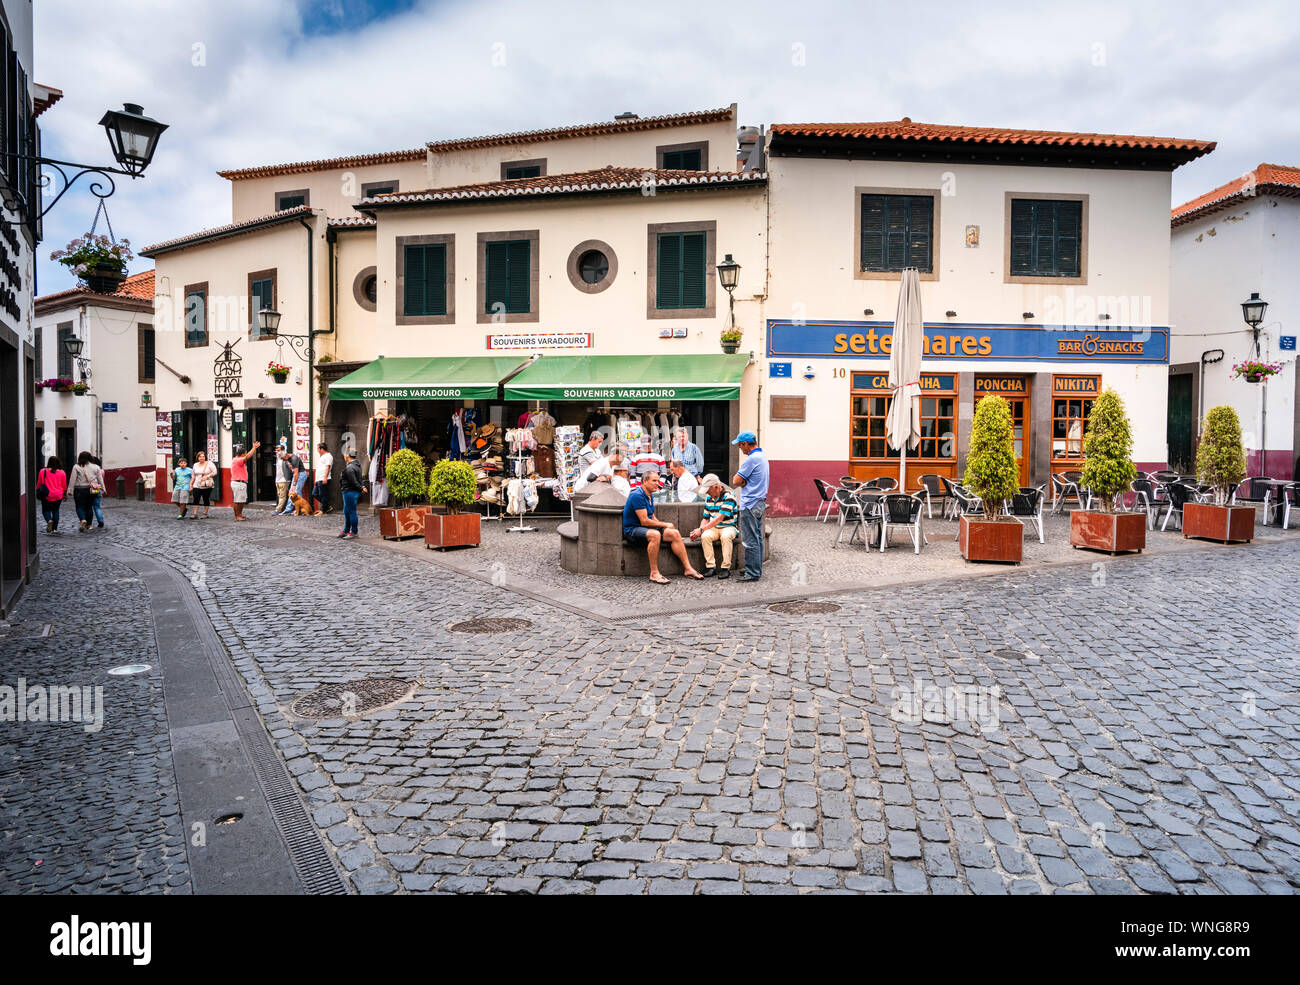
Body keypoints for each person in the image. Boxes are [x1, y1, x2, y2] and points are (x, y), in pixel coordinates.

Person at [622, 471, 702, 584]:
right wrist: (665, 524)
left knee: (674, 533)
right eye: (654, 480)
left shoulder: (649, 494)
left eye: (657, 480)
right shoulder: (637, 495)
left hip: (644, 528)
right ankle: (654, 573)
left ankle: (688, 569)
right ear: (644, 481)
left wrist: (664, 528)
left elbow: (652, 516)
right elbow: (644, 521)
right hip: (632, 530)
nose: (657, 483)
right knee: (655, 535)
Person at [730, 430, 769, 582]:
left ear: (746, 444)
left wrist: (743, 481)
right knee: (758, 538)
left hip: (750, 504)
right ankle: (755, 568)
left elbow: (736, 480)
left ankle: (752, 573)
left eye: (740, 445)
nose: (740, 449)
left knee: (750, 539)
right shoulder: (762, 457)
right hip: (759, 502)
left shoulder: (751, 459)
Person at [689, 474, 739, 578]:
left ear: (716, 487)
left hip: (729, 526)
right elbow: (705, 518)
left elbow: (719, 518)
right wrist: (700, 530)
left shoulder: (729, 496)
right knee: (705, 536)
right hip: (714, 528)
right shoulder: (709, 498)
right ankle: (711, 567)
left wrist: (701, 529)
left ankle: (726, 568)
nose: (707, 492)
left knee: (726, 536)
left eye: (708, 490)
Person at [71, 451, 107, 531]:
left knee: (79, 506)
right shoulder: (96, 467)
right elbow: (100, 480)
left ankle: (83, 519)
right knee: (89, 507)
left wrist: (69, 490)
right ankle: (89, 525)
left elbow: (72, 479)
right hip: (91, 490)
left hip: (79, 489)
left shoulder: (76, 467)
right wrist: (103, 489)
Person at [338, 450, 367, 539]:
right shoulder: (357, 465)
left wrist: (361, 488)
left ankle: (354, 532)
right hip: (351, 491)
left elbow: (353, 481)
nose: (344, 456)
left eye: (345, 455)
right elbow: (359, 479)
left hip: (349, 492)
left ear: (348, 456)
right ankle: (346, 530)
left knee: (351, 512)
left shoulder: (350, 467)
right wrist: (361, 487)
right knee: (346, 511)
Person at [230, 441, 260, 521]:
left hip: (241, 483)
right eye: (245, 453)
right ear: (243, 454)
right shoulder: (238, 460)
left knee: (241, 500)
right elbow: (248, 456)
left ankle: (240, 515)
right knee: (237, 501)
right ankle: (237, 516)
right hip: (238, 483)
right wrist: (254, 448)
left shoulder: (236, 460)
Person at [37, 455, 67, 534]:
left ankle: (49, 520)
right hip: (58, 495)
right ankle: (54, 529)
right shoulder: (62, 472)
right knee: (56, 511)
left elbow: (39, 483)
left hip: (47, 495)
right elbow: (64, 485)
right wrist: (65, 494)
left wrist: (37, 490)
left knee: (45, 510)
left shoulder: (43, 471)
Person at [190, 450, 217, 519]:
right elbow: (193, 475)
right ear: (197, 458)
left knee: (206, 498)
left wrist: (207, 476)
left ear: (205, 457)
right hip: (197, 484)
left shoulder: (209, 463)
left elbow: (215, 472)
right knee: (196, 498)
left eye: (203, 456)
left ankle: (205, 513)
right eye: (200, 457)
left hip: (206, 484)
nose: (202, 458)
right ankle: (195, 513)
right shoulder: (195, 465)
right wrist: (191, 484)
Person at [312, 442, 334, 515]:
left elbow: (327, 467)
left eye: (318, 448)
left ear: (321, 449)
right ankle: (327, 506)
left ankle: (323, 511)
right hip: (319, 479)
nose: (317, 450)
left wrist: (325, 478)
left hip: (323, 478)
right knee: (314, 494)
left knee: (323, 495)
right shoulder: (322, 456)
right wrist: (316, 480)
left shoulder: (328, 456)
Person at [287, 447, 309, 514]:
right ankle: (290, 509)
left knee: (296, 491)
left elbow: (297, 472)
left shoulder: (294, 458)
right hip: (297, 475)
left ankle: (298, 510)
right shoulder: (288, 459)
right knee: (293, 492)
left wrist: (294, 484)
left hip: (300, 475)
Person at [272, 446, 292, 514]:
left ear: (283, 451)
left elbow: (291, 468)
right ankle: (281, 508)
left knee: (282, 496)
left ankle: (278, 509)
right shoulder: (278, 459)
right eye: (276, 450)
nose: (277, 452)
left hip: (284, 480)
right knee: (279, 494)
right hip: (277, 480)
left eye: (278, 450)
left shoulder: (286, 459)